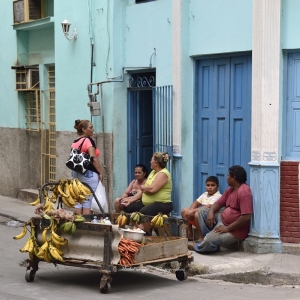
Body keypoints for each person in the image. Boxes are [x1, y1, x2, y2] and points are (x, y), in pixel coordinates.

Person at [192, 165, 253, 253]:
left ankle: (201, 246)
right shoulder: (230, 189)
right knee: (201, 211)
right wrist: (211, 212)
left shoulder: (244, 192)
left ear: (234, 177)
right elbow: (218, 203)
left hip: (234, 231)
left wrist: (227, 228)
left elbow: (246, 217)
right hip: (222, 220)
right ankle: (211, 244)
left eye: (228, 175)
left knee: (209, 239)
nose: (226, 177)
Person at [121, 152, 173, 234]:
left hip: (163, 203)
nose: (150, 162)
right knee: (127, 208)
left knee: (143, 211)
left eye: (151, 160)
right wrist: (130, 200)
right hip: (147, 202)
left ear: (156, 162)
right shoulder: (152, 173)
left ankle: (145, 230)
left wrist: (143, 187)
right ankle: (142, 229)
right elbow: (144, 190)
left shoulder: (163, 174)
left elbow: (152, 189)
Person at [71, 119, 103, 215]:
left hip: (76, 173)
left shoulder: (75, 141)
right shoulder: (89, 141)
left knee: (78, 200)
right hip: (88, 173)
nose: (93, 129)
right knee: (88, 200)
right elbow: (93, 158)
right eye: (91, 127)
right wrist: (100, 172)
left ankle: (76, 224)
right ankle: (87, 225)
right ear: (84, 129)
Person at [181, 176, 222, 241]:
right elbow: (196, 203)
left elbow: (209, 206)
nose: (210, 187)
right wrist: (190, 211)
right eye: (208, 185)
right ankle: (189, 233)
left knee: (197, 214)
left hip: (209, 220)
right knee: (185, 210)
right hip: (199, 219)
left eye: (212, 185)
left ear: (217, 186)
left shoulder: (218, 196)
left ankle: (201, 236)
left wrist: (193, 211)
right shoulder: (205, 194)